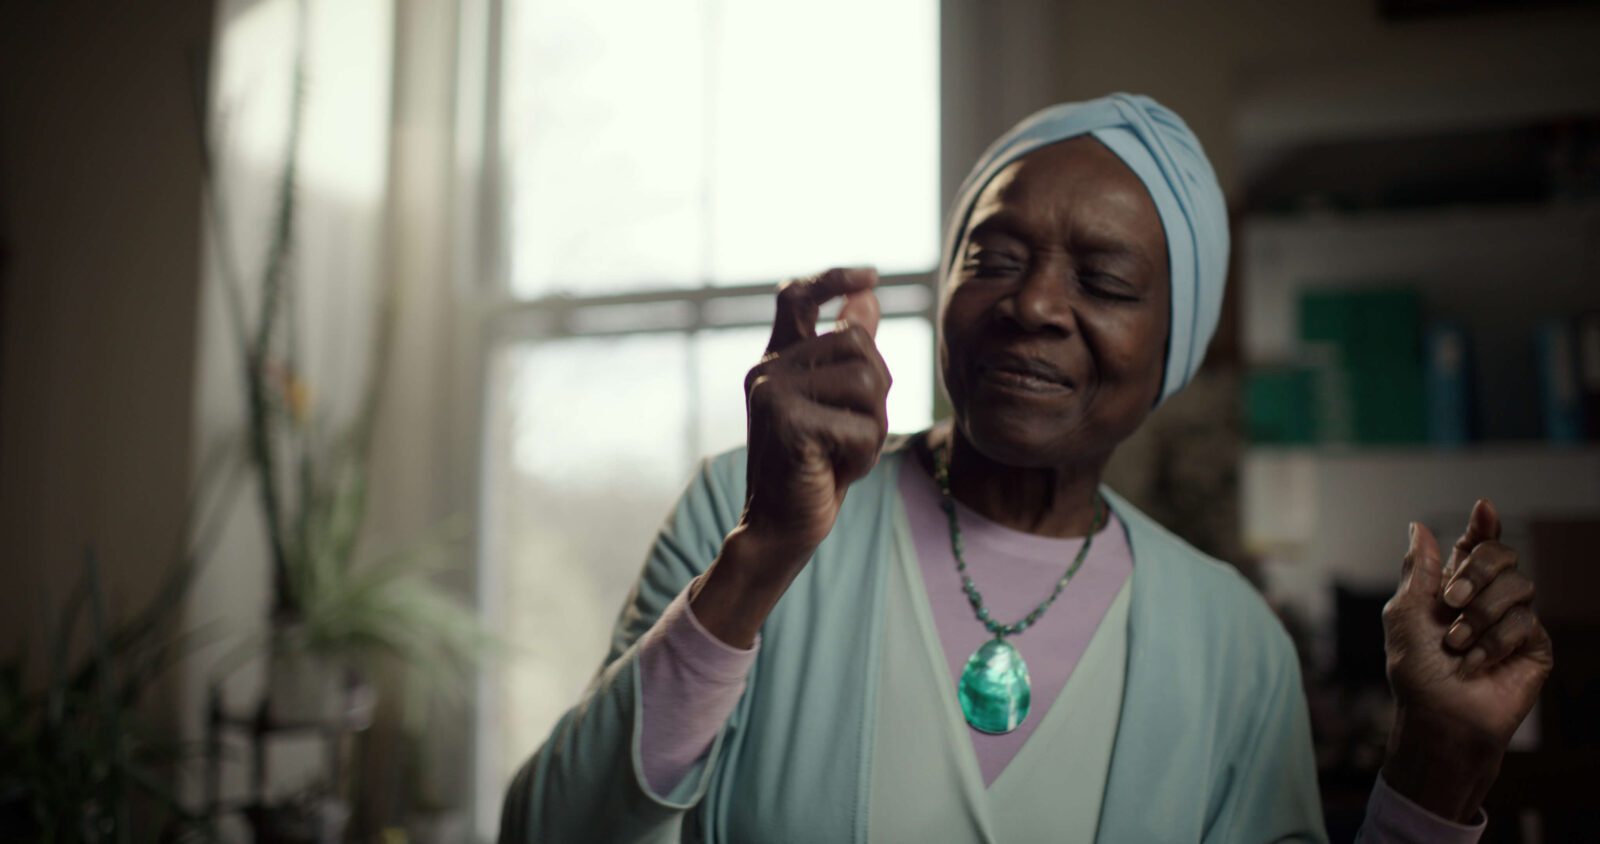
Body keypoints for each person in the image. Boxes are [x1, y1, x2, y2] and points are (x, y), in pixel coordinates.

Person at [499, 94, 1553, 842]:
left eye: (1102, 277)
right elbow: (550, 831)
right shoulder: (746, 514)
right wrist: (763, 556)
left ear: (1171, 347)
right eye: (993, 257)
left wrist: (1438, 769)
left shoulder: (1230, 645)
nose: (1034, 305)